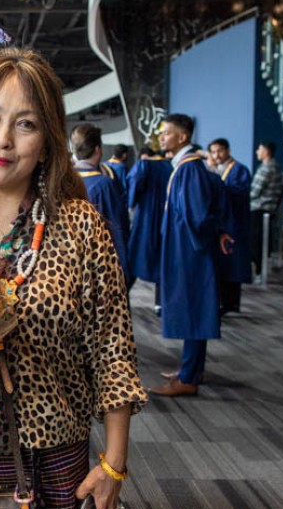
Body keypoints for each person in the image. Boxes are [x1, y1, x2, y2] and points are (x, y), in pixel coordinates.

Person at [0, 48, 147, 509]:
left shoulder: (80, 225)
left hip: (56, 461)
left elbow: (113, 350)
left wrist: (114, 464)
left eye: (26, 124)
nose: (2, 140)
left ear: (49, 140)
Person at [150, 114, 231, 397]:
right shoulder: (185, 167)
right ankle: (190, 369)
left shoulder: (189, 170)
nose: (162, 137)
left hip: (190, 254)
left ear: (182, 137)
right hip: (186, 249)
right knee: (193, 310)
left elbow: (197, 218)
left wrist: (203, 241)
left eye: (166, 133)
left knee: (194, 310)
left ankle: (188, 378)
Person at [70, 123, 131, 285]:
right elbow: (117, 229)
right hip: (99, 264)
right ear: (98, 150)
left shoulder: (65, 180)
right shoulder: (103, 184)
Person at [207, 138, 252, 313]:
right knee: (223, 265)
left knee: (233, 263)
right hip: (222, 223)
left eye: (220, 151)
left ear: (228, 150)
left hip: (236, 223)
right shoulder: (216, 170)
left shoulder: (239, 170)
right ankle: (222, 302)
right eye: (214, 152)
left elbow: (239, 192)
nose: (217, 155)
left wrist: (219, 185)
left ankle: (231, 303)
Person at [126, 146, 172, 314]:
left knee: (134, 256)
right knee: (163, 259)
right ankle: (160, 303)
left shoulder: (144, 165)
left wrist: (131, 203)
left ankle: (120, 295)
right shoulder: (172, 166)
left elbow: (134, 186)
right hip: (167, 218)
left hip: (146, 217)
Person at [250, 141, 282, 277]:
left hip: (259, 209)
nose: (257, 151)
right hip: (269, 208)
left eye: (259, 149)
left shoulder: (266, 168)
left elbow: (254, 192)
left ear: (266, 151)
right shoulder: (276, 166)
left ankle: (258, 272)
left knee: (256, 242)